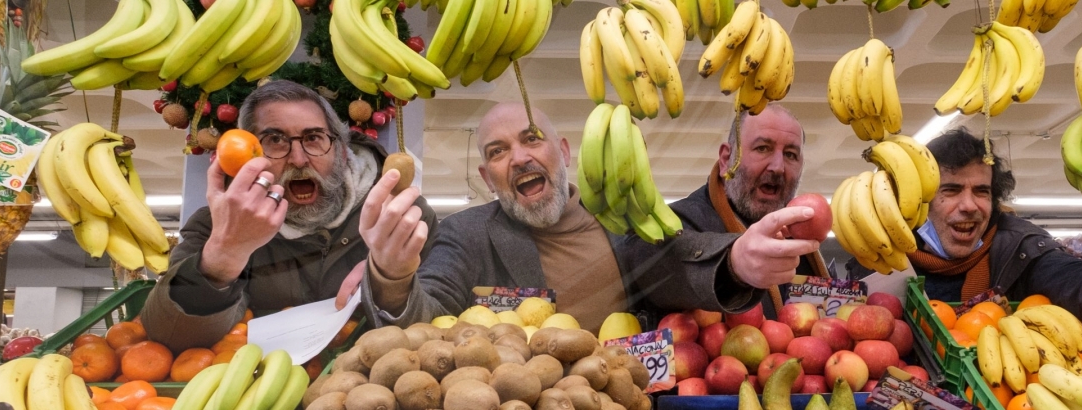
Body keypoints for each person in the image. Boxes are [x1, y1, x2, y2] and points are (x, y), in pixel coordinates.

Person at [338, 103, 821, 331]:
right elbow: (432, 314)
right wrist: (394, 279)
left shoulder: (621, 217)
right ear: (487, 177)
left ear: (563, 151)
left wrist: (736, 261)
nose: (520, 157)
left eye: (532, 139)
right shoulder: (467, 234)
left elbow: (673, 264)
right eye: (499, 151)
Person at [142, 81, 438, 352]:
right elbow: (169, 337)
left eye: (313, 138)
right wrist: (223, 254)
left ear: (341, 150)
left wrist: (390, 278)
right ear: (252, 153)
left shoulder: (404, 218)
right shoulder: (217, 224)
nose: (298, 159)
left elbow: (442, 327)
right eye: (275, 140)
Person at [848, 128, 1082, 333]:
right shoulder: (879, 258)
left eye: (982, 191)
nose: (970, 205)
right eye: (952, 190)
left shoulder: (1020, 247)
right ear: (920, 199)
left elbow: (1079, 284)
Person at [619, 105, 832, 317]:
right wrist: (734, 263)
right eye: (762, 148)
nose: (778, 166)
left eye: (791, 154)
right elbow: (650, 260)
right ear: (725, 160)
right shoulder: (678, 220)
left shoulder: (803, 241)